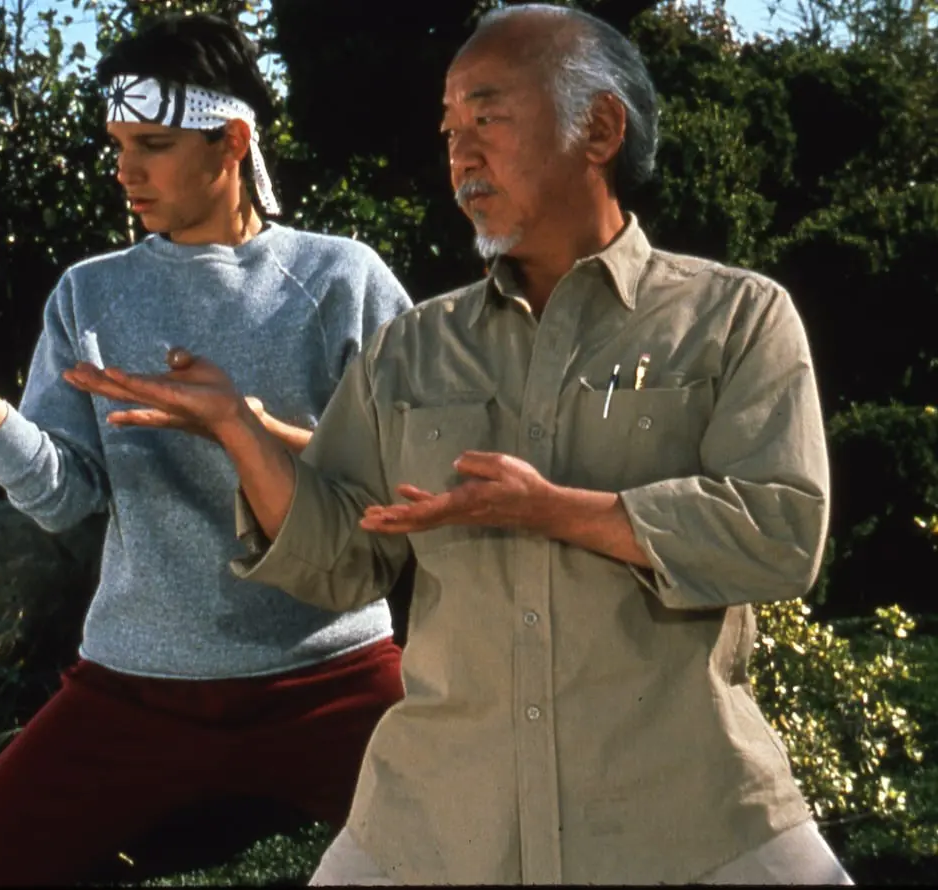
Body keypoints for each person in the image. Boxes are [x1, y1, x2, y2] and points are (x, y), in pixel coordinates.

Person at [61, 4, 853, 885]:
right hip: (432, 824)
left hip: (696, 820)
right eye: (449, 128)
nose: (460, 154)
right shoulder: (411, 349)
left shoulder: (736, 318)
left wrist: (556, 512)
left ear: (598, 128)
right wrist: (238, 432)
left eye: (489, 116)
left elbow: (783, 532)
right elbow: (341, 556)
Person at [0, 12, 412, 886]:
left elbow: (402, 474)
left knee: (507, 854)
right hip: (136, 688)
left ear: (231, 142)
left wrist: (243, 425)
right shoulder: (91, 293)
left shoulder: (343, 279)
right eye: (117, 142)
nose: (125, 169)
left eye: (151, 143)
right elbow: (62, 497)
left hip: (330, 677)